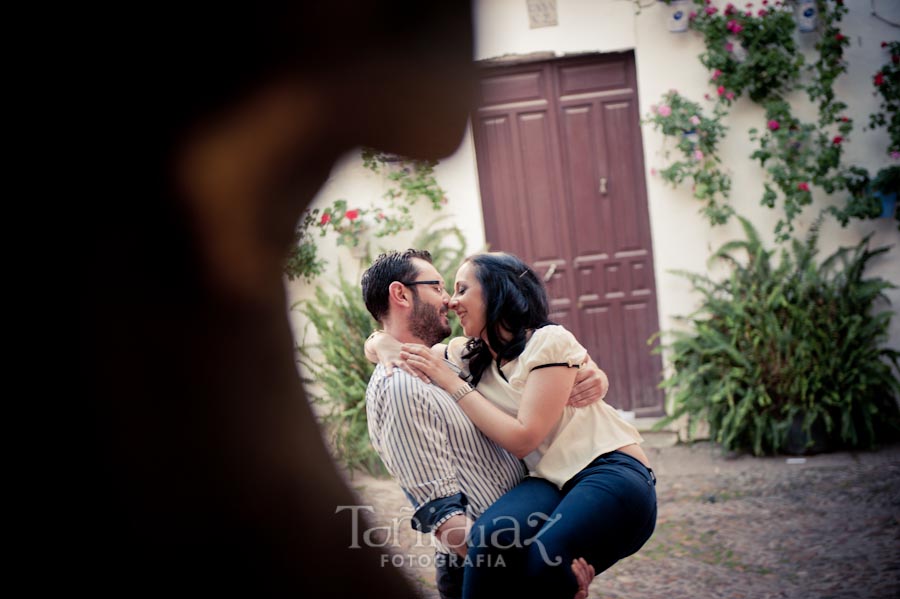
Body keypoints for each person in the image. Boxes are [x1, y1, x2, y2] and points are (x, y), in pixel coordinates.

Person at [80, 4, 487, 597]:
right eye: (439, 287)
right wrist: (540, 561)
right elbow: (449, 522)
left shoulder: (446, 358)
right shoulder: (398, 385)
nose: (450, 302)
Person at [368, 252, 657, 599]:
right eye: (443, 288)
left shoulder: (549, 341)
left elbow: (524, 439)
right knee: (491, 539)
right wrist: (380, 343)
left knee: (544, 559)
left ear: (496, 292)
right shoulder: (470, 356)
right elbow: (399, 348)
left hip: (607, 469)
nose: (451, 300)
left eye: (460, 289)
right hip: (549, 482)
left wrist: (450, 382)